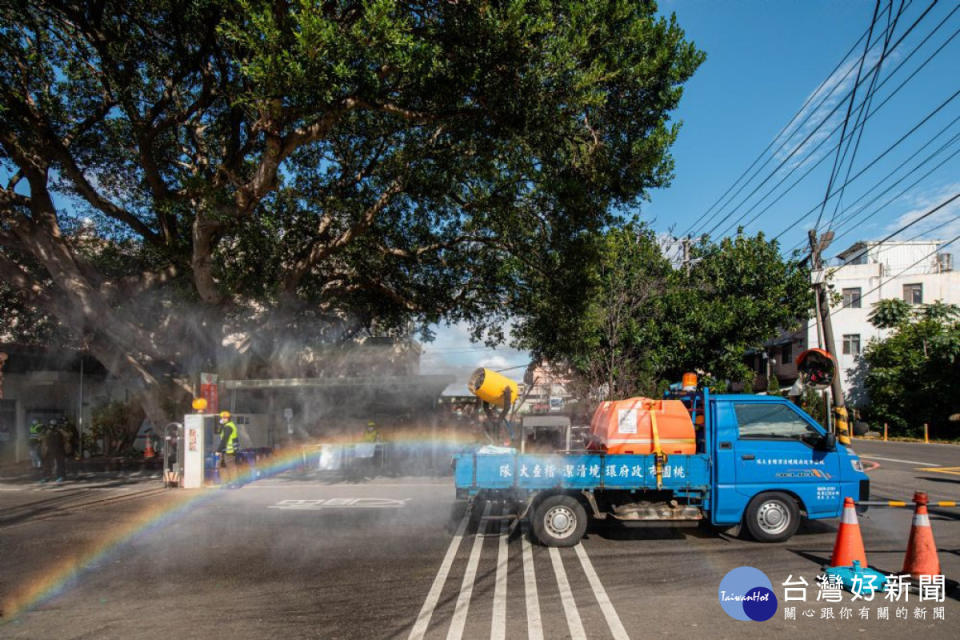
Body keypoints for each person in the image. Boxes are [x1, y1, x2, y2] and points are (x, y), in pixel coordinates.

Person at [216, 411, 239, 485]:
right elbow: (219, 432)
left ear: (228, 418)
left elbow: (225, 439)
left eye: (225, 418)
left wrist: (218, 450)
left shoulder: (228, 427)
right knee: (222, 465)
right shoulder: (227, 426)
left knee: (231, 466)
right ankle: (225, 483)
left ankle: (234, 483)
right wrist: (220, 424)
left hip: (229, 450)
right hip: (226, 450)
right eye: (222, 418)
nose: (223, 419)